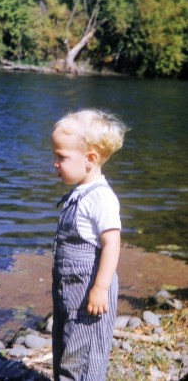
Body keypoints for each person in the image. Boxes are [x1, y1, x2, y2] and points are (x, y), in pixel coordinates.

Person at [51, 108, 128, 381]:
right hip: (69, 293)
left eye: (61, 157)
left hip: (90, 293)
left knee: (84, 354)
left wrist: (101, 288)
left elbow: (112, 244)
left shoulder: (101, 199)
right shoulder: (79, 192)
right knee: (65, 346)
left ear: (90, 159)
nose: (55, 163)